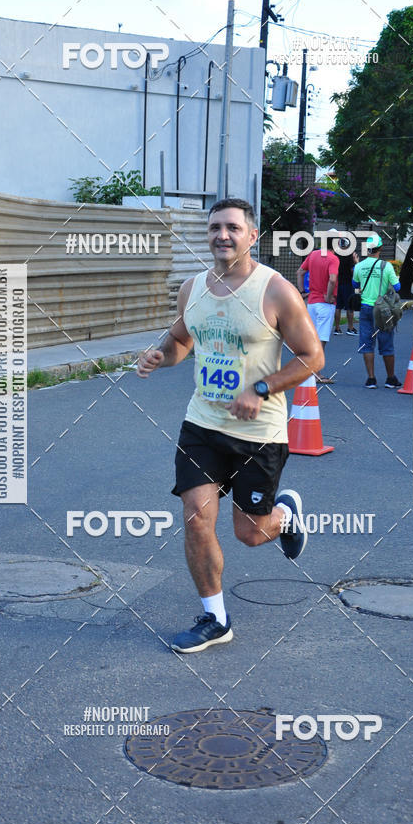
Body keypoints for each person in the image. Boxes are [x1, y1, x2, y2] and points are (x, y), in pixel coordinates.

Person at [137, 198, 324, 653]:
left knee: (251, 534)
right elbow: (182, 340)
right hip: (202, 424)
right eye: (215, 227)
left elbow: (312, 357)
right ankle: (215, 618)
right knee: (197, 520)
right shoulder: (192, 288)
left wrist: (259, 390)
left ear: (251, 236)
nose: (223, 235)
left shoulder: (276, 291)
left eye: (233, 228)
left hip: (258, 434)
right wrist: (160, 356)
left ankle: (283, 515)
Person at [352, 236, 402, 388]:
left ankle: (371, 379)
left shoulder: (359, 266)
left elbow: (355, 284)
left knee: (367, 344)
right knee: (386, 344)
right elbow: (398, 287)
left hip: (365, 308)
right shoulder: (386, 266)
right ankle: (390, 378)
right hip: (383, 309)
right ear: (380, 249)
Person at [296, 236, 339, 383]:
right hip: (325, 304)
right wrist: (328, 296)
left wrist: (302, 292)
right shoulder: (333, 258)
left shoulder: (313, 254)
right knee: (321, 339)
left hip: (312, 303)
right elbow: (332, 279)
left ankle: (307, 370)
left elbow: (299, 272)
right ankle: (316, 373)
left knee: (312, 338)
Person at [334, 240, 359, 335]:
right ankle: (350, 328)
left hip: (338, 283)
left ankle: (337, 328)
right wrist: (356, 263)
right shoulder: (350, 256)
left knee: (338, 306)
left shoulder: (336, 255)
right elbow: (353, 271)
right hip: (348, 283)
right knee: (350, 307)